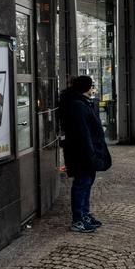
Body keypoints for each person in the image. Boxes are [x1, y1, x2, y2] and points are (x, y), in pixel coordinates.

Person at [58, 75, 111, 233]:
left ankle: (85, 215)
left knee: (87, 184)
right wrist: (90, 155)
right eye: (91, 86)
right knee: (82, 184)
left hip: (87, 152)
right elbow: (82, 134)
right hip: (83, 153)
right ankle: (78, 219)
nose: (93, 88)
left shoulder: (81, 103)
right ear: (87, 88)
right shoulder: (78, 105)